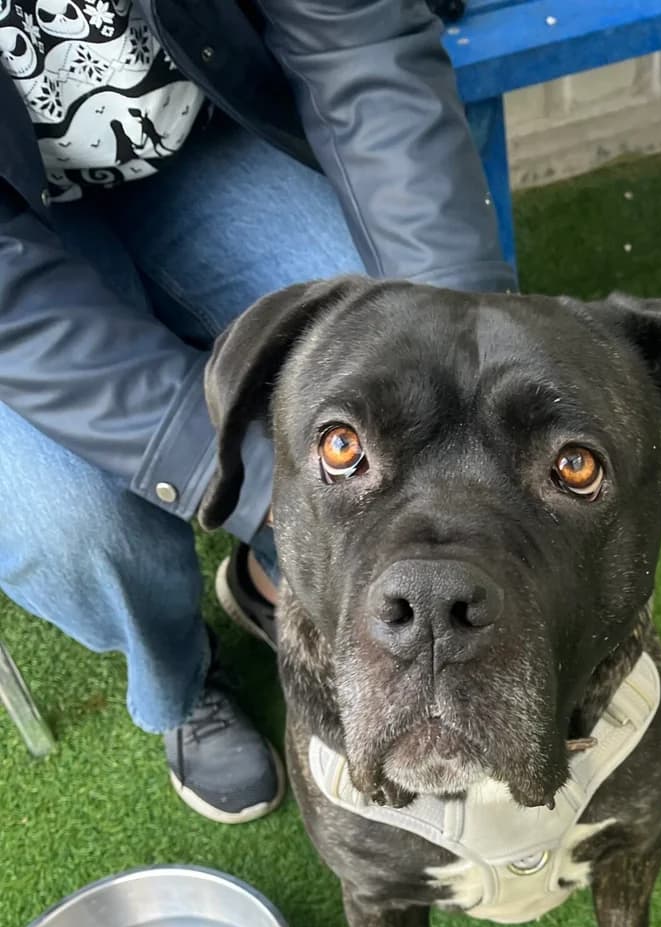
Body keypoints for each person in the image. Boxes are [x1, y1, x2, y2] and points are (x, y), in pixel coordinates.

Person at [0, 0, 514, 822]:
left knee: (387, 360)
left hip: (193, 140)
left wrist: (468, 357)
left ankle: (273, 582)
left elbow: (360, 36)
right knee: (80, 526)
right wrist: (254, 486)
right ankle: (180, 679)